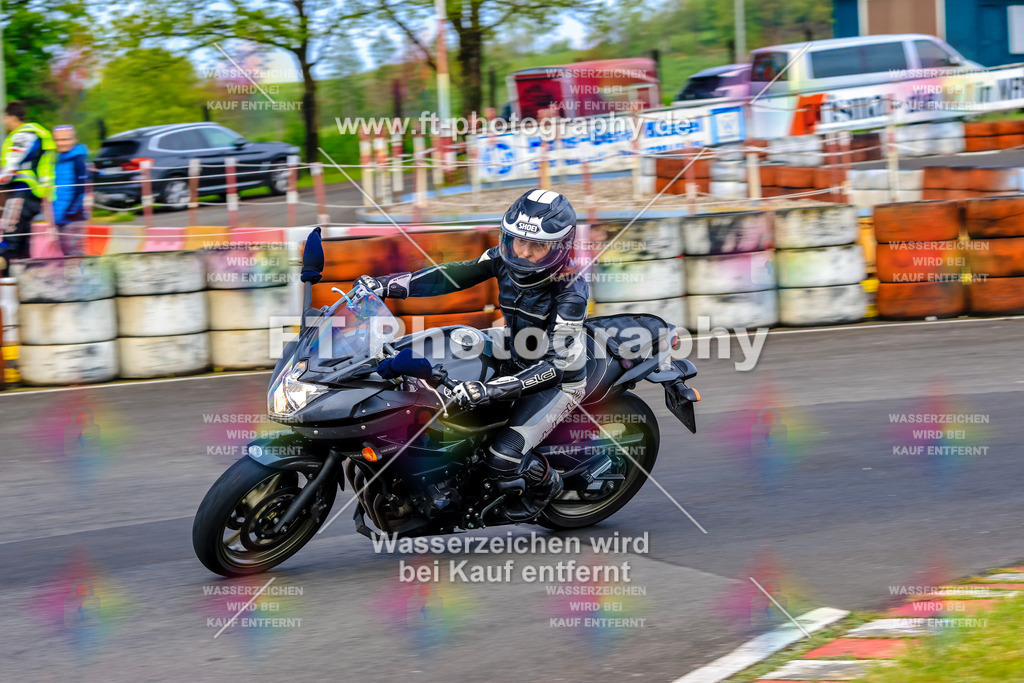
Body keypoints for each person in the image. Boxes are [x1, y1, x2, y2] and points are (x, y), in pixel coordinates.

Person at [356, 189, 588, 521]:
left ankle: (546, 484)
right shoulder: (501, 257)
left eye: (537, 246)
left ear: (560, 247)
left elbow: (555, 366)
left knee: (502, 457)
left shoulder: (571, 292)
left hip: (557, 379)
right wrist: (388, 286)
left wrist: (490, 390)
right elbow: (451, 275)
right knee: (429, 385)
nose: (523, 252)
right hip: (512, 346)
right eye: (517, 241)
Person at [0, 101, 56, 275]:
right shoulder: (32, 133)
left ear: (12, 117)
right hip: (31, 193)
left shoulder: (23, 136)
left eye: (5, 117)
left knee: (8, 245)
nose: (3, 121)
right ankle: (20, 289)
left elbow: (10, 168)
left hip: (23, 192)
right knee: (21, 247)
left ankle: (7, 294)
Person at [52, 125, 89, 256]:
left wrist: (71, 210)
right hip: (59, 216)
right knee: (65, 254)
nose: (62, 143)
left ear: (74, 139)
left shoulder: (78, 160)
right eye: (58, 140)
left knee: (76, 255)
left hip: (73, 217)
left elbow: (81, 188)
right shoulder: (56, 160)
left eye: (66, 139)